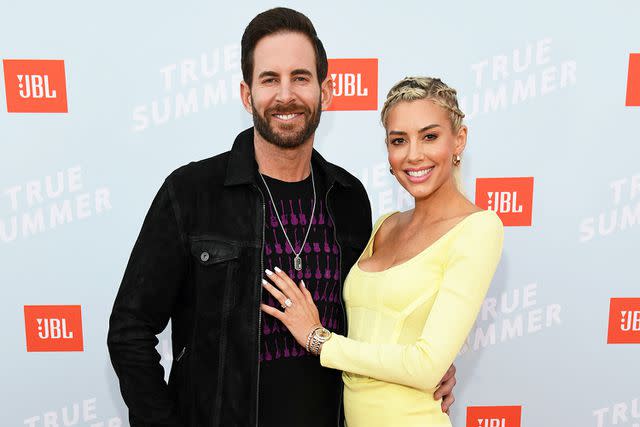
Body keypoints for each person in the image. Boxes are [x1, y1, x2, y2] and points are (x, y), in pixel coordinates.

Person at [107, 8, 457, 427]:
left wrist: (418, 369)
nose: (286, 95)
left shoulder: (348, 198)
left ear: (325, 92)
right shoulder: (191, 193)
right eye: (270, 79)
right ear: (246, 94)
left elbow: (365, 325)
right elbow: (130, 330)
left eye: (300, 78)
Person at [260, 76, 504, 427]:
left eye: (430, 136)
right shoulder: (385, 224)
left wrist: (319, 339)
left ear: (459, 140)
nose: (413, 154)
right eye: (399, 140)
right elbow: (376, 332)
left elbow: (425, 366)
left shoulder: (479, 229)